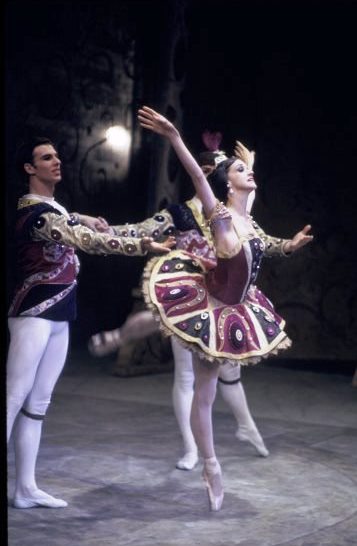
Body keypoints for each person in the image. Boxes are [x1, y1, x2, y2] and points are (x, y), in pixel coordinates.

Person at [88, 144, 311, 470]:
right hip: (190, 293)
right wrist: (109, 231)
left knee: (230, 375)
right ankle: (192, 448)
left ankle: (245, 427)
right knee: (186, 377)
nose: (212, 177)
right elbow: (142, 229)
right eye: (212, 170)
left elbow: (262, 242)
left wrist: (289, 246)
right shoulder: (183, 214)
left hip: (225, 298)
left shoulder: (233, 214)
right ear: (208, 176)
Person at [137, 106, 313, 511]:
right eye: (239, 171)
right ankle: (211, 465)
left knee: (211, 392)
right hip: (211, 307)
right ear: (226, 183)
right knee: (205, 396)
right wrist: (173, 135)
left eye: (246, 171)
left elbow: (266, 244)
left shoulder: (248, 219)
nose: (249, 175)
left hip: (240, 306)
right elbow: (200, 177)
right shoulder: (219, 216)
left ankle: (219, 452)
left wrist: (290, 244)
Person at [6, 136, 174, 509]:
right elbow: (85, 239)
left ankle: (25, 488)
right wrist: (139, 246)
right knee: (13, 398)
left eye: (57, 155)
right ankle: (23, 487)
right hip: (33, 314)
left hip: (60, 317)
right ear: (29, 169)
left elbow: (96, 229)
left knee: (38, 403)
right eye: (46, 158)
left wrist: (152, 227)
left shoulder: (58, 209)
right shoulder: (34, 215)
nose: (56, 161)